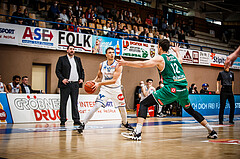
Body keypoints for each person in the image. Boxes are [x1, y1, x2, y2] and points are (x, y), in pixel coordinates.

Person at [117, 39, 217, 140]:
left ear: (160, 47)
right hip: (183, 90)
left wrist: (125, 63)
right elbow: (180, 60)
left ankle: (137, 133)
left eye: (157, 46)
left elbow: (143, 64)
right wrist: (177, 51)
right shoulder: (173, 58)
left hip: (171, 89)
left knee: (144, 104)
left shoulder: (160, 58)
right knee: (191, 111)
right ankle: (211, 131)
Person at [77, 47, 134, 133]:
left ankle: (125, 123)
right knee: (96, 106)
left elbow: (114, 80)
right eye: (110, 53)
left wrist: (98, 84)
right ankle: (83, 124)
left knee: (122, 108)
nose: (112, 54)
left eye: (113, 52)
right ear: (106, 55)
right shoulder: (102, 64)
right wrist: (94, 81)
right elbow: (99, 76)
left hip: (116, 90)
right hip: (105, 90)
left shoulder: (118, 65)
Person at [55, 44, 85, 126]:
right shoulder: (62, 59)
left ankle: (76, 119)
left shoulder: (77, 59)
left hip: (75, 84)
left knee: (74, 103)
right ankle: (63, 119)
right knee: (63, 102)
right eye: (70, 49)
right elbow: (57, 71)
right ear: (67, 50)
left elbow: (81, 70)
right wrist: (62, 79)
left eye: (73, 49)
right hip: (66, 84)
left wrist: (81, 78)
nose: (72, 50)